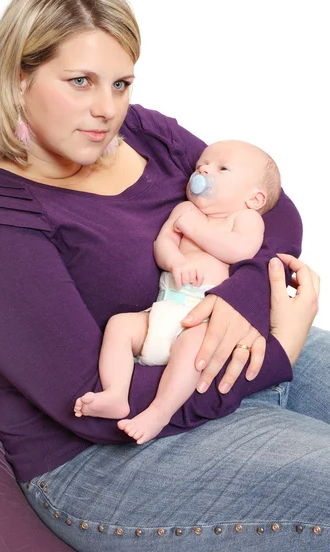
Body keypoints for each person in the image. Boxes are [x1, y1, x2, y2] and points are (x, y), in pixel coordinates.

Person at [0, 0, 328, 552]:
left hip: (220, 358)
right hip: (106, 459)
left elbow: (275, 213)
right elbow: (90, 403)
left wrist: (235, 305)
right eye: (80, 82)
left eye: (120, 83)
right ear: (18, 78)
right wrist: (275, 350)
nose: (106, 109)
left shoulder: (143, 134)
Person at [74, 140, 282, 445]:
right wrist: (177, 261)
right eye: (202, 165)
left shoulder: (245, 219)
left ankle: (159, 412)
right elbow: (163, 245)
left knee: (192, 352)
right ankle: (116, 393)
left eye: (221, 168)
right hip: (164, 308)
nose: (204, 169)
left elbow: (241, 250)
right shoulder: (184, 209)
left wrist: (195, 230)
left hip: (202, 317)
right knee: (119, 325)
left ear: (254, 198)